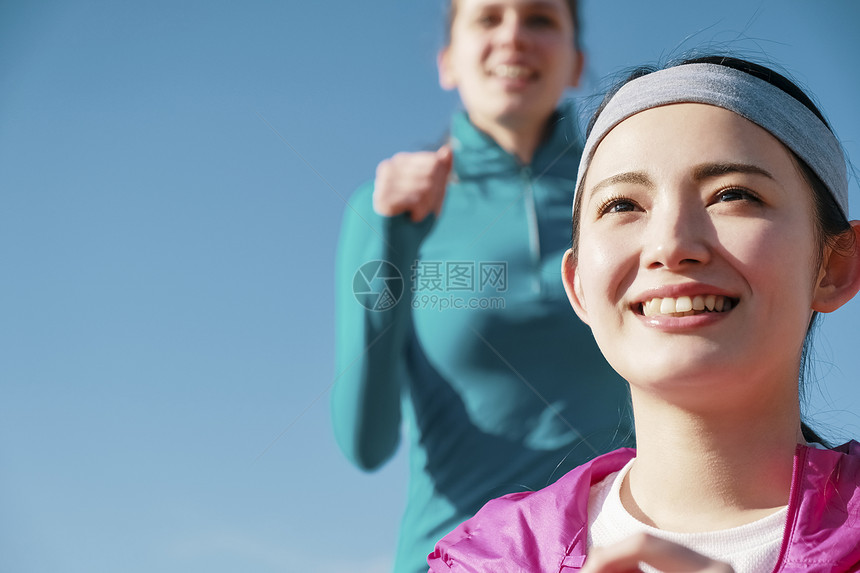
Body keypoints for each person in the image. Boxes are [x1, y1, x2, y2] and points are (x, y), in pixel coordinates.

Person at [428, 55, 860, 572]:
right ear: (579, 285)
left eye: (733, 195)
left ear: (834, 266)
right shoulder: (489, 559)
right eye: (622, 206)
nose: (671, 245)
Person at [332, 1, 632, 571]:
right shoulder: (384, 209)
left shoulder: (627, 194)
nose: (514, 36)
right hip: (451, 558)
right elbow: (363, 442)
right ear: (448, 61)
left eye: (541, 19)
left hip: (620, 552)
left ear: (577, 64)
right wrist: (392, 237)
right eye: (489, 17)